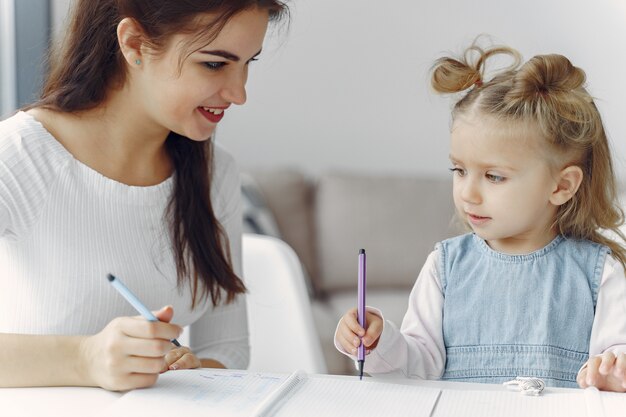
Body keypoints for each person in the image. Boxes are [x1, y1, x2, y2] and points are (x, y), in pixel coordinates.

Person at [0, 0, 287, 391]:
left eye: (247, 63)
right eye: (215, 64)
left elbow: (228, 347)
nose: (239, 93)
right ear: (134, 44)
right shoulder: (18, 158)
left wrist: (195, 367)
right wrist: (85, 359)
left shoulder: (215, 174)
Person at [335, 42, 626, 391]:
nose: (467, 193)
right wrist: (379, 341)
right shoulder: (446, 267)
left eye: (494, 176)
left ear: (562, 186)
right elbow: (417, 365)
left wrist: (613, 372)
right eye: (458, 170)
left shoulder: (598, 274)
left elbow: (616, 355)